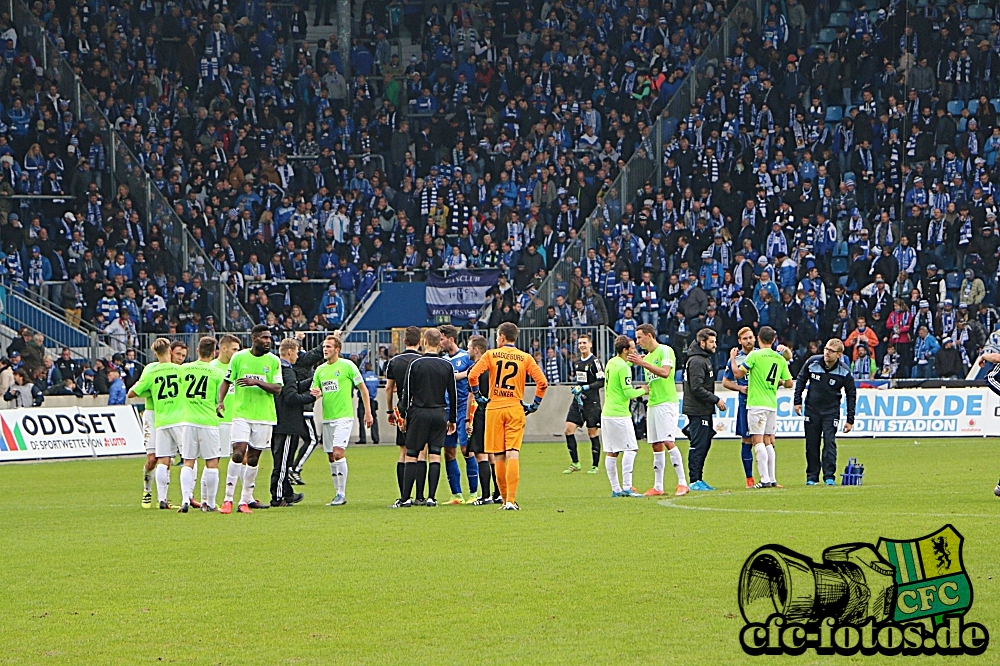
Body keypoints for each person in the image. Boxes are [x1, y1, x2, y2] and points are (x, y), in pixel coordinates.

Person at [467, 322, 549, 510]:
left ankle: (504, 500)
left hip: (494, 408)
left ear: (502, 337)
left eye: (497, 337)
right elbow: (542, 383)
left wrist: (479, 396)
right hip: (515, 407)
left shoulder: (491, 355)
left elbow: (473, 376)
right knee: (513, 452)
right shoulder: (525, 358)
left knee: (498, 456)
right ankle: (511, 500)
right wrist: (535, 404)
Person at [217, 325, 284, 514]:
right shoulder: (239, 358)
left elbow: (278, 388)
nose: (268, 341)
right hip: (241, 414)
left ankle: (245, 500)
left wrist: (257, 382)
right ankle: (228, 499)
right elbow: (226, 381)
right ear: (254, 339)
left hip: (264, 416)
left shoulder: (273, 361)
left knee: (253, 458)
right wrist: (220, 401)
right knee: (238, 453)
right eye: (264, 338)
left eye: (269, 338)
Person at [722, 327, 793, 487]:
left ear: (758, 338)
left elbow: (738, 374)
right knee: (768, 440)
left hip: (755, 403)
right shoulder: (778, 358)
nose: (749, 341)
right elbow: (789, 383)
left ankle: (764, 480)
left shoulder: (755, 355)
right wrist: (776, 383)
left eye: (751, 338)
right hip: (771, 403)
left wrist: (733, 358)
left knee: (757, 440)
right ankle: (771, 479)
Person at [394, 327, 457, 508]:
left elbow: (407, 393)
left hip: (419, 413)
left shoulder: (416, 364)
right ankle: (431, 497)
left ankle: (406, 498)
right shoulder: (447, 365)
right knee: (435, 454)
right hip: (439, 413)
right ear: (439, 343)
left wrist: (403, 415)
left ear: (425, 341)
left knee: (412, 453)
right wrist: (451, 418)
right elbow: (452, 395)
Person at [309, 334, 372, 506]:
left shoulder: (347, 366)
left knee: (338, 453)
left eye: (329, 347)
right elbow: (317, 391)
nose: (325, 349)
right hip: (327, 418)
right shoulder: (320, 370)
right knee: (331, 456)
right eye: (324, 347)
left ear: (337, 349)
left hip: (344, 417)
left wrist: (368, 412)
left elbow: (363, 389)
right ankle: (337, 493)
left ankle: (341, 494)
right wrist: (316, 394)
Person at [628, 323, 688, 496]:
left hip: (666, 403)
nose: (637, 341)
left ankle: (682, 482)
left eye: (639, 337)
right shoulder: (647, 357)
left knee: (668, 441)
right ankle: (658, 486)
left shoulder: (665, 350)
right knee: (656, 444)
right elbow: (652, 382)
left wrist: (643, 363)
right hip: (653, 403)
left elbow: (665, 373)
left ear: (649, 335)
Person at [127, 338, 182, 510]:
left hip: (171, 415)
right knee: (152, 459)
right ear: (170, 352)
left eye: (183, 355)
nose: (180, 357)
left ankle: (163, 498)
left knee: (166, 457)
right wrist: (154, 392)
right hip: (152, 414)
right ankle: (147, 490)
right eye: (178, 354)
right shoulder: (151, 369)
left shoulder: (177, 370)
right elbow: (139, 390)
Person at [793, 338, 857, 486]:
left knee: (829, 443)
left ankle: (829, 476)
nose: (827, 353)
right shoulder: (812, 362)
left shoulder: (844, 371)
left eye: (831, 351)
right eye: (826, 349)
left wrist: (850, 419)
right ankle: (812, 477)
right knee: (811, 444)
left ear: (839, 355)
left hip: (831, 412)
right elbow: (801, 380)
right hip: (811, 410)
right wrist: (797, 401)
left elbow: (851, 395)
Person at [175, 337, 225, 512]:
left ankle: (184, 500)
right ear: (214, 353)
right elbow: (217, 399)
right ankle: (210, 503)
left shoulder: (184, 369)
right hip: (208, 422)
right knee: (212, 463)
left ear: (197, 351)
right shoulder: (217, 373)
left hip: (188, 421)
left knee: (188, 462)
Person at [600, 335, 647, 497]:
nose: (635, 350)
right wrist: (643, 390)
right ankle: (627, 486)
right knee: (631, 449)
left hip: (607, 413)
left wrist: (634, 360)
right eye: (632, 348)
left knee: (612, 451)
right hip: (620, 414)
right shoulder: (623, 368)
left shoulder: (612, 363)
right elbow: (628, 393)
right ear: (625, 350)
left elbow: (620, 370)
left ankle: (616, 489)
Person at [385, 326, 427, 503]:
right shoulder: (424, 360)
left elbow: (388, 388)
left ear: (404, 341)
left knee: (404, 451)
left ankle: (404, 494)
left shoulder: (395, 361)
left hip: (403, 411)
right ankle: (420, 495)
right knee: (421, 452)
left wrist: (390, 410)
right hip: (422, 409)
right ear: (420, 342)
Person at [682, 328, 726, 490]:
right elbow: (696, 388)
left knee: (705, 441)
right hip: (697, 409)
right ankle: (694, 480)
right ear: (702, 343)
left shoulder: (703, 359)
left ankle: (697, 478)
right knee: (699, 445)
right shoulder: (697, 362)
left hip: (703, 409)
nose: (715, 345)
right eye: (712, 342)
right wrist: (716, 400)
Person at [272, 337, 313, 506]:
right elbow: (290, 397)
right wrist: (311, 396)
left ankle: (287, 493)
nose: (297, 356)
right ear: (289, 352)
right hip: (288, 423)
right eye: (296, 352)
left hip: (280, 421)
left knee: (284, 460)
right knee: (283, 462)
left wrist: (313, 381)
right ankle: (278, 497)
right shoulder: (287, 371)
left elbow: (293, 387)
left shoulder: (279, 369)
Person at [439, 325, 476, 503]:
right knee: (449, 452)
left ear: (451, 339)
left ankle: (474, 493)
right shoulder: (442, 360)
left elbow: (473, 376)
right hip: (447, 410)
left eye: (442, 339)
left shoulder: (466, 357)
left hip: (463, 408)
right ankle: (457, 495)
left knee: (466, 450)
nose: (440, 343)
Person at [465, 335, 501, 505]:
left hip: (481, 412)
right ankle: (498, 493)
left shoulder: (476, 368)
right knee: (493, 454)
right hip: (495, 412)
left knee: (481, 454)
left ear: (476, 349)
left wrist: (467, 419)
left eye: (469, 347)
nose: (467, 350)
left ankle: (485, 495)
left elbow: (471, 395)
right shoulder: (495, 367)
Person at [562, 333, 605, 474]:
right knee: (568, 429)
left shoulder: (595, 362)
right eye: (580, 343)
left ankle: (595, 465)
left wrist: (586, 387)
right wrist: (577, 388)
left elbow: (601, 381)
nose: (582, 345)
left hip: (592, 402)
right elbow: (580, 381)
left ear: (590, 344)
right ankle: (575, 463)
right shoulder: (577, 363)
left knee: (592, 433)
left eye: (584, 343)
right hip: (578, 401)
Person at [209, 334, 241, 492]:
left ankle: (245, 496)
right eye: (234, 349)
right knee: (215, 460)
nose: (237, 352)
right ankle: (209, 497)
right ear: (223, 348)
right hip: (220, 421)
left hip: (238, 419)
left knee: (243, 457)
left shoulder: (238, 367)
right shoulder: (213, 368)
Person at [356, 362, 381, 445]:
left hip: (363, 400)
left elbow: (357, 386)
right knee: (374, 418)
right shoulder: (375, 377)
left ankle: (363, 438)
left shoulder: (363, 376)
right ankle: (376, 438)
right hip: (372, 399)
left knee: (361, 419)